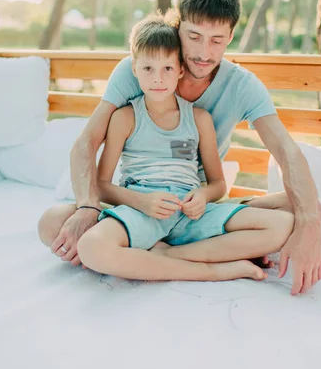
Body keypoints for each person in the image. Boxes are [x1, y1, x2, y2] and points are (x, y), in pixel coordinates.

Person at [38, 0, 321, 294]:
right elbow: (86, 143)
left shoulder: (241, 86)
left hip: (193, 205)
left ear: (230, 36)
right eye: (194, 37)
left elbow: (285, 150)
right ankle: (191, 258)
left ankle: (162, 255)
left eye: (217, 40)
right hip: (142, 202)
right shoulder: (144, 69)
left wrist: (310, 225)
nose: (204, 52)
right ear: (178, 27)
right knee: (53, 223)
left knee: (298, 205)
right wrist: (88, 207)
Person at [73, 14, 295, 282]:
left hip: (189, 213)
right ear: (134, 69)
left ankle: (166, 256)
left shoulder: (199, 119)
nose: (157, 79)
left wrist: (202, 197)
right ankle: (212, 269)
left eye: (167, 69)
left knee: (282, 223)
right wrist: (142, 201)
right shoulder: (124, 118)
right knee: (90, 246)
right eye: (147, 69)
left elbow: (217, 185)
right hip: (141, 211)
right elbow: (102, 184)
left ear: (180, 70)